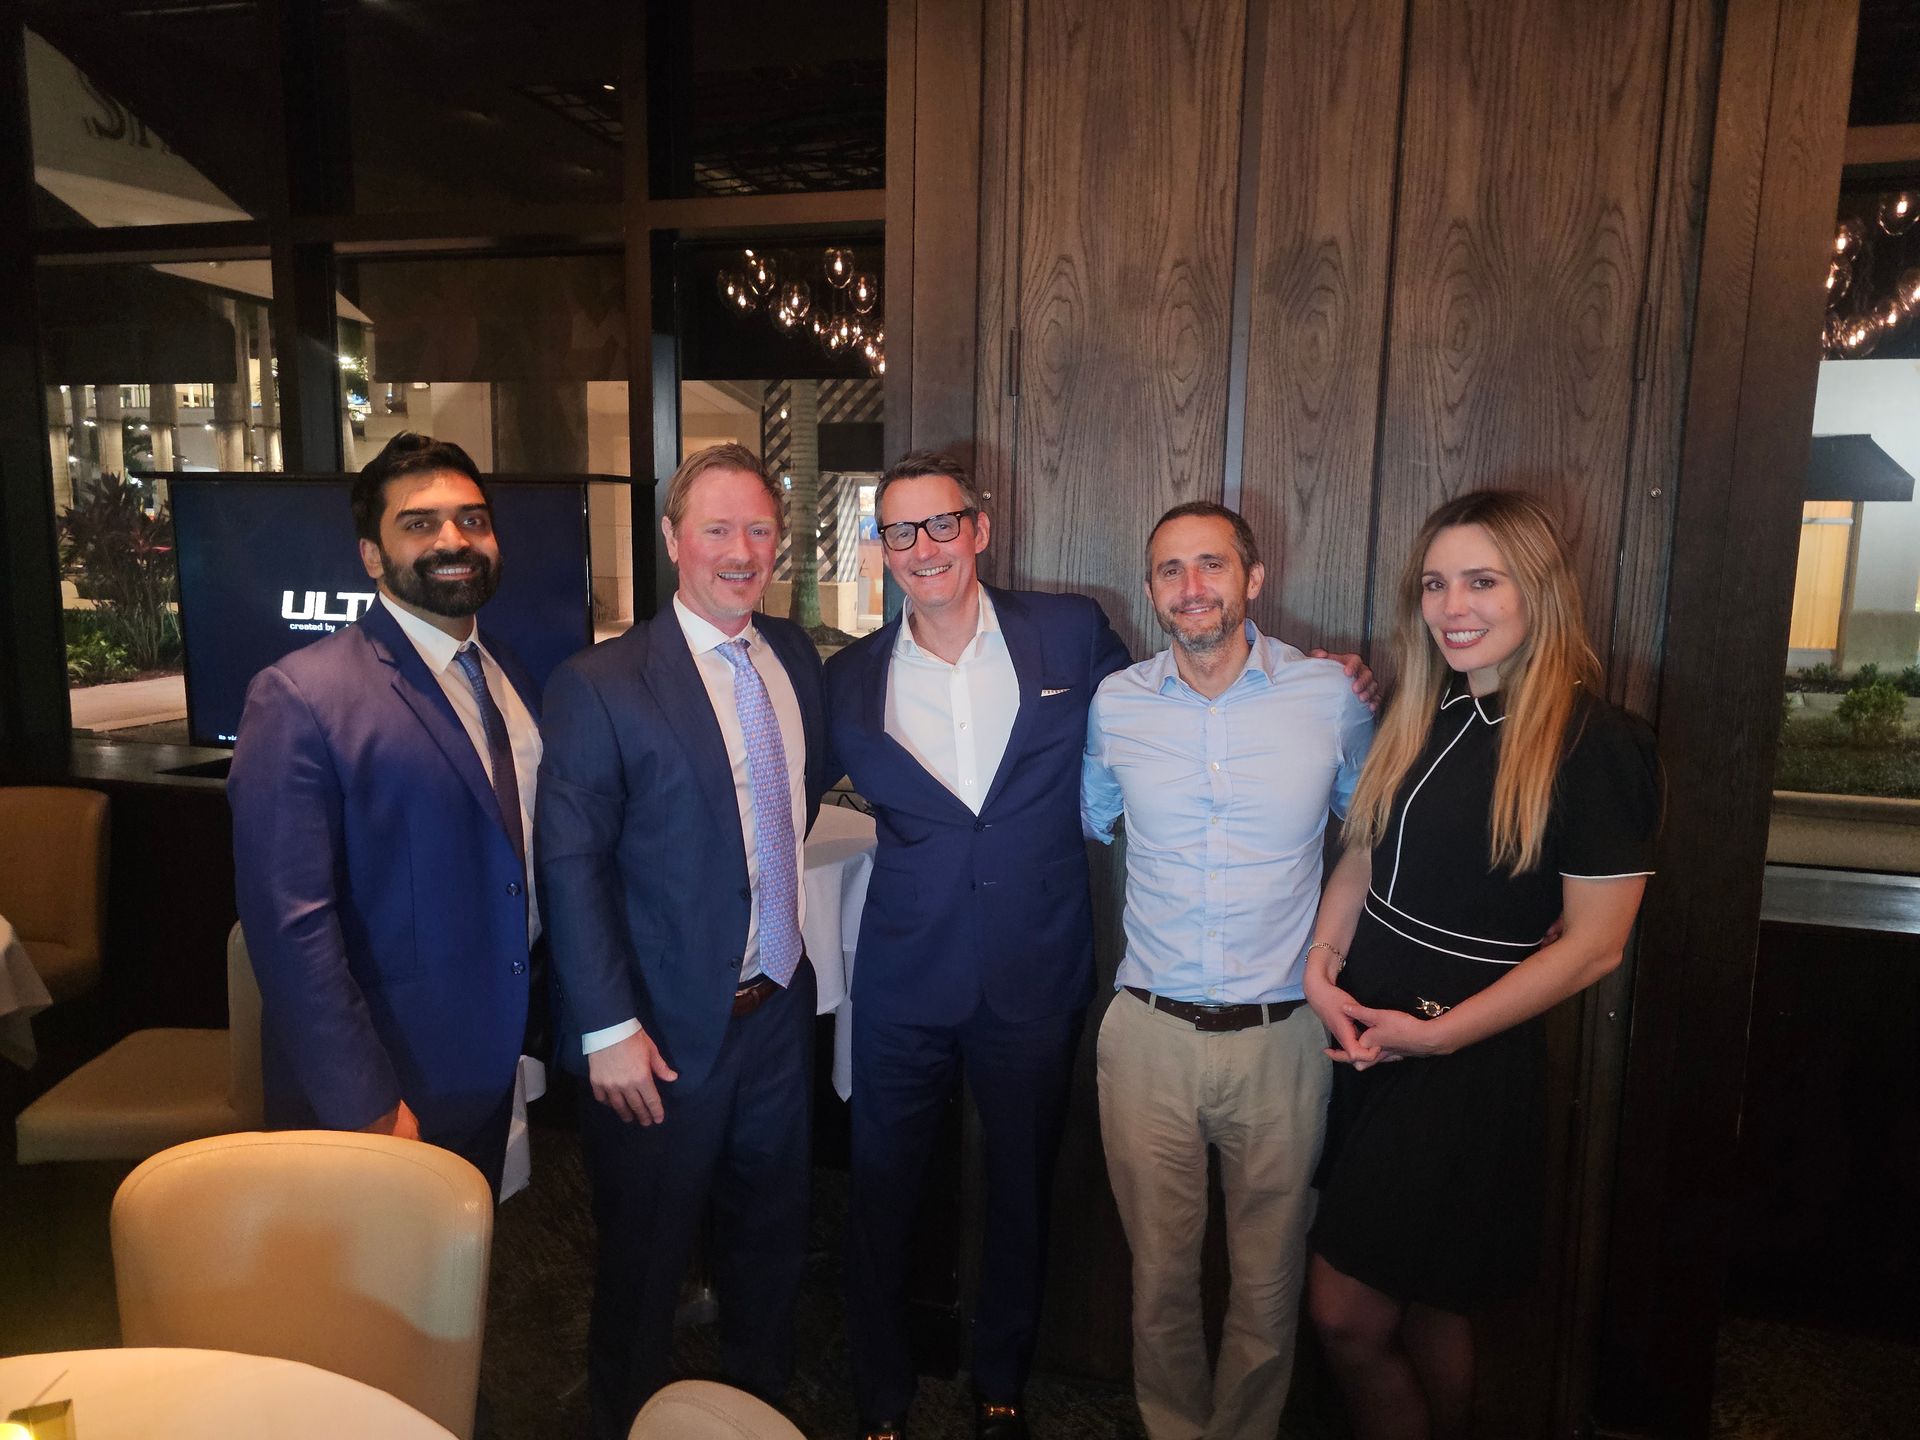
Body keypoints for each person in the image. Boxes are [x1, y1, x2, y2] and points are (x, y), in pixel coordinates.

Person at [1303, 490, 1661, 1440]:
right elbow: (1361, 855)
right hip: (1368, 1035)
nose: (1453, 605)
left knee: (1345, 1316)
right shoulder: (1428, 711)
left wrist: (1435, 1038)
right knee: (1427, 1302)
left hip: (1459, 1064)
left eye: (1482, 580)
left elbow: (1597, 944)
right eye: (1435, 583)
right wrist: (1321, 964)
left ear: (1538, 591)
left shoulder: (1599, 744)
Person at [824, 450, 1130, 1440]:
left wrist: (1304, 673)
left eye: (941, 524)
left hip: (1034, 972)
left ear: (980, 528)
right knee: (880, 1192)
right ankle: (880, 1395)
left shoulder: (1070, 633)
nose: (924, 549)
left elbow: (1171, 709)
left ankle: (1003, 1379)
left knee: (1021, 1191)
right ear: (882, 549)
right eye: (901, 532)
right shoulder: (848, 678)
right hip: (906, 975)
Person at [536, 443, 830, 1439]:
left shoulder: (792, 656)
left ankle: (753, 1410)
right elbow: (569, 865)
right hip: (657, 1035)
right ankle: (622, 1419)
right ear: (672, 540)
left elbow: (785, 814)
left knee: (769, 1241)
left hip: (778, 1012)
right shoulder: (599, 683)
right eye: (716, 529)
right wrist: (605, 1025)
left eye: (758, 529)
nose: (739, 552)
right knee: (644, 1263)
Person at [1081, 501, 1376, 1440]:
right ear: (1153, 589)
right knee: (1158, 1281)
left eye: (1212, 565)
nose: (1191, 588)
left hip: (1283, 1036)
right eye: (1170, 569)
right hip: (1148, 1038)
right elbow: (1095, 818)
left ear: (1253, 579)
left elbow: (1366, 832)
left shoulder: (1329, 698)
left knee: (1270, 1279)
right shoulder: (1116, 702)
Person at [230, 431, 538, 1198]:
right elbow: (291, 930)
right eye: (420, 523)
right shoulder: (301, 696)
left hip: (490, 1063)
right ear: (372, 555)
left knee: (461, 1291)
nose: (453, 540)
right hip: (384, 1088)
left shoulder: (510, 674)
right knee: (363, 1311)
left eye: (472, 519)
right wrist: (365, 1106)